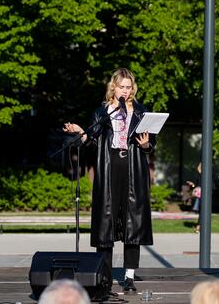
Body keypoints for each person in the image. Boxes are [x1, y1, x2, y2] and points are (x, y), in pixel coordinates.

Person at [63, 68, 155, 295]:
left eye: (129, 87)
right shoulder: (102, 112)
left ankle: (129, 276)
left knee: (132, 220)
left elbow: (151, 144)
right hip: (109, 167)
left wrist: (145, 145)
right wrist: (81, 132)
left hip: (133, 167)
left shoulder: (142, 111)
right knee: (107, 220)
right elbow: (92, 142)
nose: (125, 90)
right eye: (121, 86)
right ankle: (103, 275)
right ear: (113, 87)